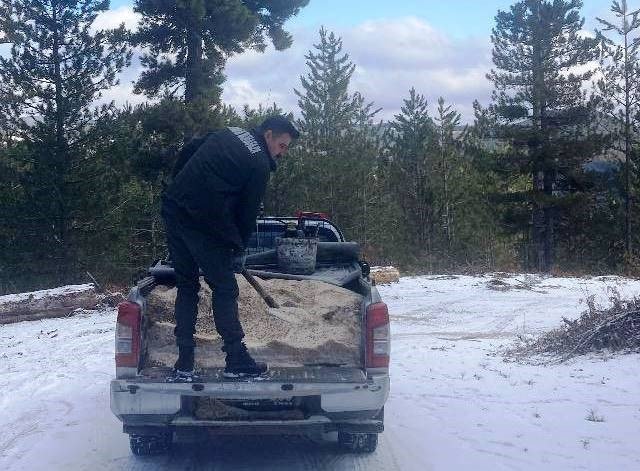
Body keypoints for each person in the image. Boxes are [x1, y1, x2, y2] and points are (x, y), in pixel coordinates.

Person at [161, 115, 299, 380]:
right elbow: (246, 215)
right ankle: (236, 359)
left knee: (187, 284)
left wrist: (179, 184)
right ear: (268, 135)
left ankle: (184, 362)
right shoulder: (259, 164)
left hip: (174, 207)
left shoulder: (230, 132)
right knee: (225, 288)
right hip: (201, 221)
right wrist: (238, 250)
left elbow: (191, 149)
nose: (282, 153)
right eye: (282, 145)